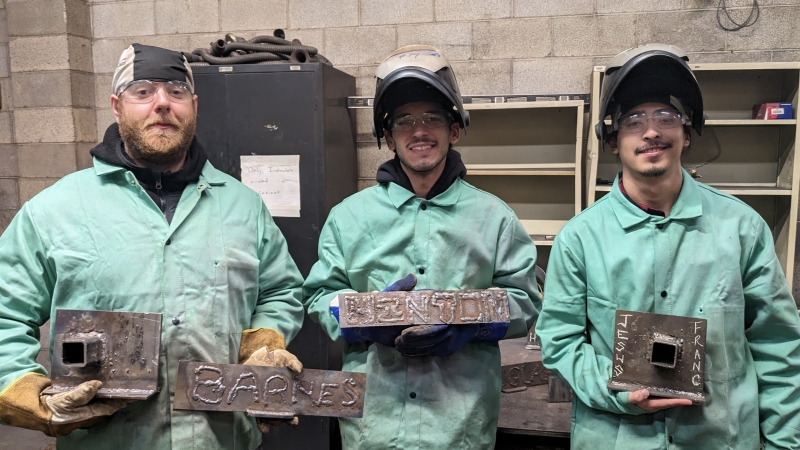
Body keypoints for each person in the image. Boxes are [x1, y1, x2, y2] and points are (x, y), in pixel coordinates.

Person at [0, 44, 306, 449]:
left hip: (219, 439)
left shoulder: (243, 206)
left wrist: (265, 341)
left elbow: (281, 290)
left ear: (193, 106)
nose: (162, 103)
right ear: (116, 105)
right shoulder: (55, 210)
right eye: (142, 91)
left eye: (176, 92)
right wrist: (23, 388)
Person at [536, 43, 800, 450]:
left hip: (719, 439)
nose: (652, 131)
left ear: (687, 132)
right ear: (612, 140)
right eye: (633, 120)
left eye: (667, 117)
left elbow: (778, 347)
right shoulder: (581, 239)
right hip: (616, 437)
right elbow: (561, 342)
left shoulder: (741, 228)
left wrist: (786, 443)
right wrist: (617, 391)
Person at [302, 45, 541, 449]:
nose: (419, 130)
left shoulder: (494, 217)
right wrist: (363, 317)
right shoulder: (349, 217)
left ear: (455, 129)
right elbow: (318, 296)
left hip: (459, 425)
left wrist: (470, 325)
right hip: (374, 426)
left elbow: (525, 301)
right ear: (387, 137)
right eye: (404, 121)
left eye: (432, 117)